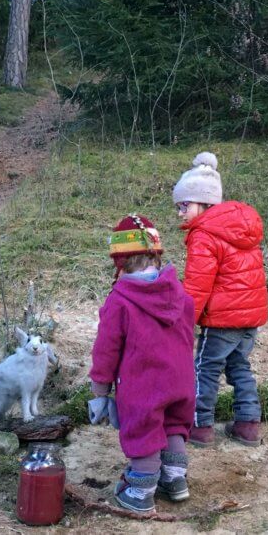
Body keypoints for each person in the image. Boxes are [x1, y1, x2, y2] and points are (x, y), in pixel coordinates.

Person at [89, 214, 196, 513]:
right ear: (156, 255)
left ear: (120, 262)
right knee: (174, 424)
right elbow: (189, 337)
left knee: (144, 431)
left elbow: (106, 350)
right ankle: (175, 480)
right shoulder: (181, 295)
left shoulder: (120, 301)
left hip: (143, 383)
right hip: (181, 378)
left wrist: (99, 391)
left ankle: (140, 491)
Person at [173, 152, 268, 448]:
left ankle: (200, 426)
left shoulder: (204, 234)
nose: (180, 212)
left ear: (203, 203)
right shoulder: (240, 228)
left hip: (223, 319)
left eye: (184, 205)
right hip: (250, 317)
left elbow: (197, 286)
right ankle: (248, 424)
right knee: (239, 365)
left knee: (205, 368)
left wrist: (184, 322)